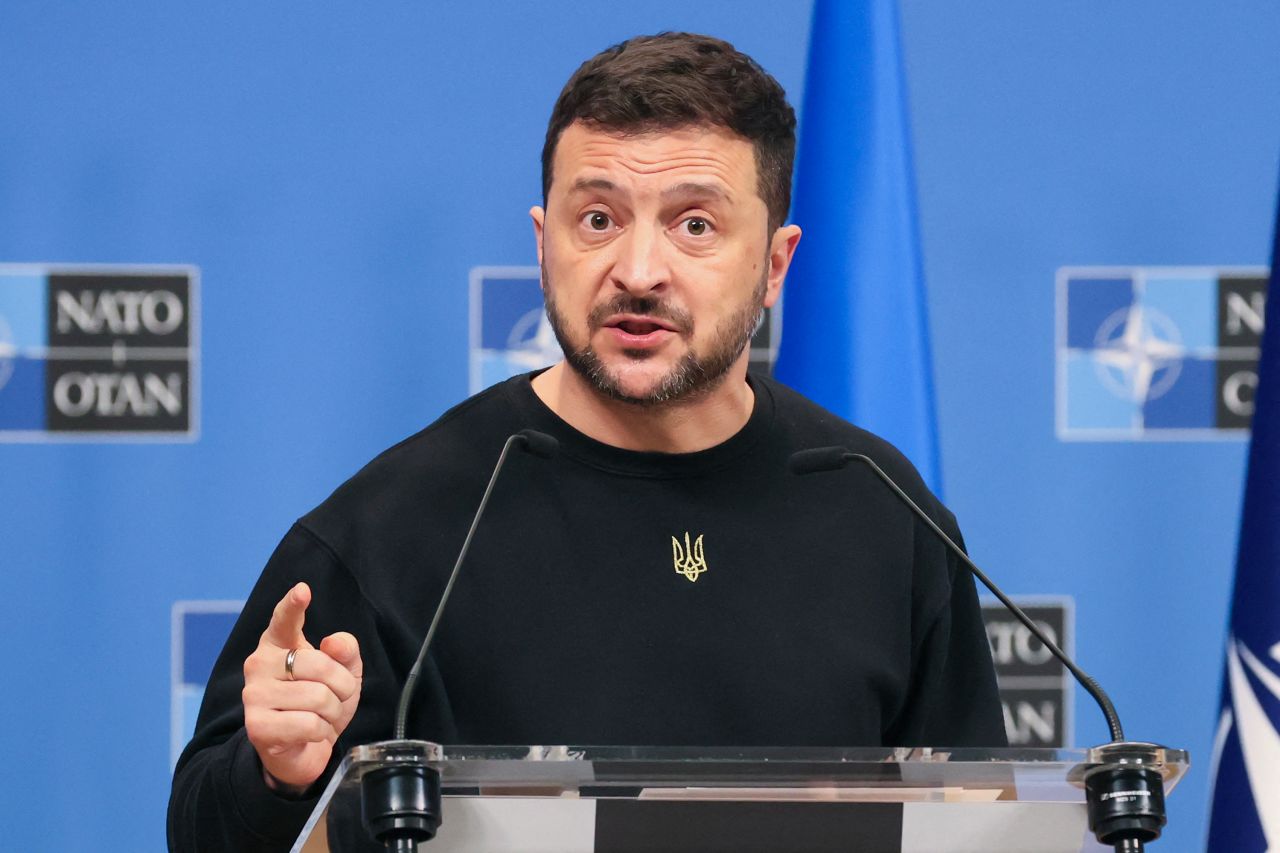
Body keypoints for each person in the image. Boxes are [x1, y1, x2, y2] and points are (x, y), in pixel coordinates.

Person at [168, 31, 1005, 852]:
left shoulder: (881, 509)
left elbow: (984, 824)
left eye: (695, 226)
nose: (639, 269)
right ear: (542, 245)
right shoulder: (395, 527)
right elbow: (203, 832)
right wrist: (274, 774)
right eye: (598, 218)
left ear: (776, 265)